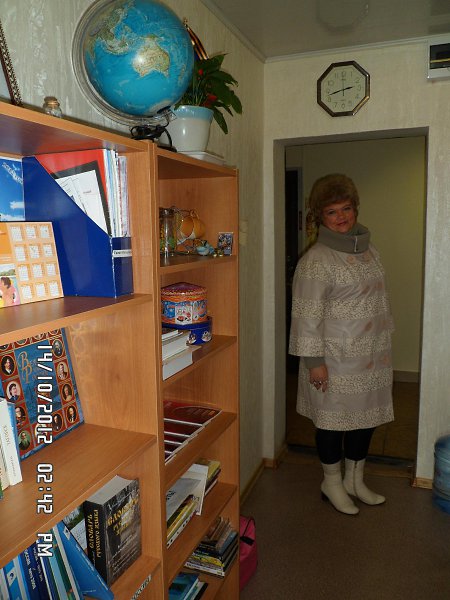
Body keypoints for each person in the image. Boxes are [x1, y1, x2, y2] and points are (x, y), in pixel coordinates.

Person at [289, 173, 394, 516]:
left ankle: (355, 480)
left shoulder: (370, 251)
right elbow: (306, 316)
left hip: (371, 356)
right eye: (332, 212)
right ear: (321, 217)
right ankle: (332, 482)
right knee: (331, 422)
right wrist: (314, 362)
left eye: (346, 208)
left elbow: (380, 302)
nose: (341, 217)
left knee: (365, 419)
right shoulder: (316, 261)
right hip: (334, 360)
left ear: (355, 208)